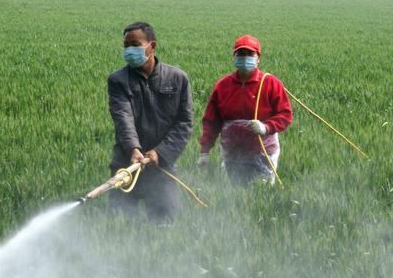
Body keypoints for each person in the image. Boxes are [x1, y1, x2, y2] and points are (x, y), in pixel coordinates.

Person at [107, 21, 193, 222]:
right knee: (122, 225)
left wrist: (160, 152)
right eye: (126, 46)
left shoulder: (177, 79)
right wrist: (133, 149)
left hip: (162, 167)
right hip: (126, 164)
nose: (129, 50)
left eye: (134, 44)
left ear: (151, 46)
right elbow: (123, 117)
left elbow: (185, 123)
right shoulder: (118, 80)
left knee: (164, 226)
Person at [198, 35, 292, 184]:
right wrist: (205, 151)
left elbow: (285, 115)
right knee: (232, 193)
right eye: (241, 54)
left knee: (261, 193)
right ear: (234, 57)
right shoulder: (223, 86)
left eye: (250, 54)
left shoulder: (271, 83)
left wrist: (266, 127)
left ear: (258, 58)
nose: (245, 58)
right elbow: (211, 121)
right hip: (232, 153)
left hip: (263, 152)